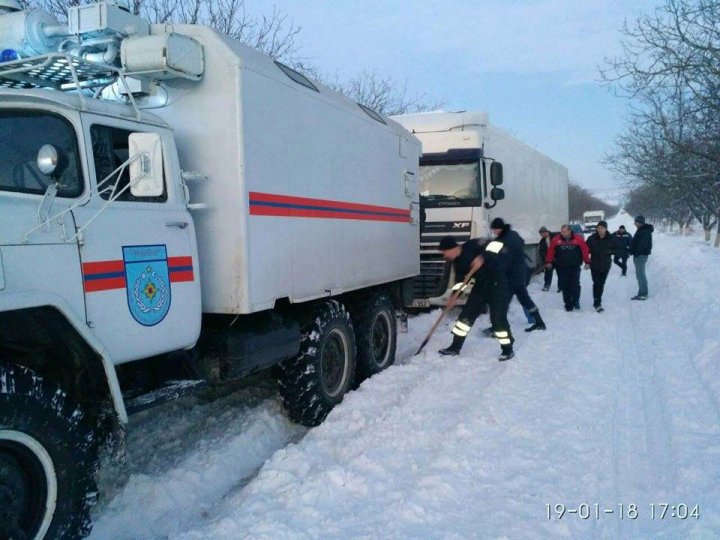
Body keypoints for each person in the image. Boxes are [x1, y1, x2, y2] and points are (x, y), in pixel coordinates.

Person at [437, 236, 515, 361]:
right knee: (465, 316)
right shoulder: (457, 262)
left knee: (497, 319)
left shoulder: (472, 245)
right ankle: (455, 347)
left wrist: (483, 256)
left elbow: (497, 243)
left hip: (497, 283)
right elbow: (460, 281)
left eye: (445, 252)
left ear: (453, 248)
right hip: (480, 287)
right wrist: (454, 296)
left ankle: (507, 349)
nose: (444, 256)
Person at [490, 218, 546, 332]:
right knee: (525, 299)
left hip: (512, 276)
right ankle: (539, 321)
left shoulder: (506, 240)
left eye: (494, 230)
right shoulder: (512, 235)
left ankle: (498, 327)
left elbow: (503, 259)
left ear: (498, 228)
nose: (493, 232)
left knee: (503, 302)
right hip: (520, 273)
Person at [545, 224, 590, 311]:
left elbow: (585, 250)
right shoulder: (556, 240)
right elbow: (551, 251)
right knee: (564, 286)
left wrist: (587, 262)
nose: (562, 233)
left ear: (569, 231)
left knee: (575, 284)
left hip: (574, 266)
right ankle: (568, 304)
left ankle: (576, 300)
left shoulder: (578, 239)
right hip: (561, 267)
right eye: (561, 231)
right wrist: (548, 261)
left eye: (564, 231)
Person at [585, 220, 614, 312]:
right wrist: (587, 262)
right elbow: (585, 250)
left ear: (606, 228)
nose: (600, 230)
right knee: (597, 283)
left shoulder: (611, 238)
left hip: (606, 265)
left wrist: (611, 251)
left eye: (602, 228)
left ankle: (597, 298)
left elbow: (617, 248)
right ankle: (597, 302)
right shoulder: (591, 238)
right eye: (598, 228)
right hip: (595, 265)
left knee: (601, 283)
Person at [629, 215, 654, 300]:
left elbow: (641, 246)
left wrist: (633, 252)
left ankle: (643, 293)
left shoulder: (644, 231)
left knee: (640, 275)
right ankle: (642, 292)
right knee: (639, 274)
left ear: (639, 222)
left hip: (640, 255)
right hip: (639, 255)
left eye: (635, 222)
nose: (634, 224)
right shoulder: (642, 230)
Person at [537, 226, 555, 291]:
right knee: (548, 272)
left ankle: (561, 286)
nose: (541, 236)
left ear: (545, 232)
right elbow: (542, 252)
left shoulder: (554, 236)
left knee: (561, 272)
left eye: (542, 234)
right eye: (540, 235)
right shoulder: (542, 241)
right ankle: (547, 285)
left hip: (558, 258)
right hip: (549, 259)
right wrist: (547, 261)